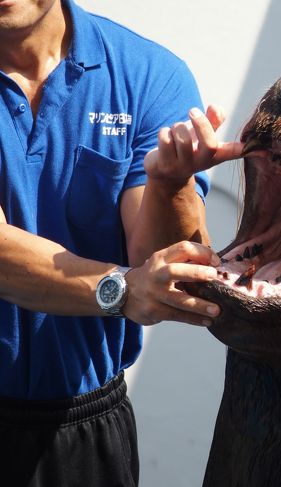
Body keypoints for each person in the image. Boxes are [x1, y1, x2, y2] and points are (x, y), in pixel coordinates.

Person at [0, 0, 240, 485]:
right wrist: (124, 290)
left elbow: (161, 269)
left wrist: (170, 185)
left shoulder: (147, 75)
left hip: (87, 430)